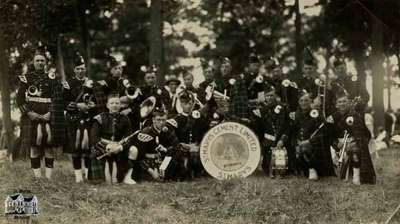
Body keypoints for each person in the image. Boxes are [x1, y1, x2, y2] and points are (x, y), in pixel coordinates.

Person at [16, 44, 65, 179]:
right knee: (34, 146)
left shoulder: (52, 78)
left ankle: (48, 178)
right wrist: (28, 113)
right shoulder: (26, 78)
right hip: (31, 115)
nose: (40, 63)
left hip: (49, 115)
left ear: (46, 62)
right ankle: (38, 178)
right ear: (33, 61)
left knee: (49, 146)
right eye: (37, 60)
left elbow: (57, 98)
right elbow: (19, 99)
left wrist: (51, 113)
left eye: (42, 60)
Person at [326, 91, 376, 185]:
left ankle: (356, 175)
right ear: (336, 105)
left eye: (344, 101)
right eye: (339, 102)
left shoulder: (355, 115)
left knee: (355, 149)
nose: (342, 104)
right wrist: (336, 143)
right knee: (338, 164)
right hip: (338, 146)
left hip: (352, 142)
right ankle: (342, 170)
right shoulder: (333, 117)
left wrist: (353, 142)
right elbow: (329, 135)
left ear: (348, 102)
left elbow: (363, 133)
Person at [63, 54, 98, 183]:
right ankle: (78, 176)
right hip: (74, 119)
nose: (80, 71)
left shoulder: (92, 83)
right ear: (74, 70)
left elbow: (98, 101)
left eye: (82, 68)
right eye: (78, 68)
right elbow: (63, 102)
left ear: (86, 69)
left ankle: (88, 175)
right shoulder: (68, 84)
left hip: (89, 118)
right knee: (75, 148)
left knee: (88, 148)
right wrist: (77, 105)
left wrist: (92, 106)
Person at [89, 93, 135, 184]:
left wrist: (120, 147)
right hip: (102, 149)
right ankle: (101, 178)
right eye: (112, 103)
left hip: (119, 148)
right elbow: (94, 138)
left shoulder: (125, 119)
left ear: (121, 105)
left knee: (132, 150)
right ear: (107, 105)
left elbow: (129, 137)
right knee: (101, 181)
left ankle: (125, 177)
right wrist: (107, 147)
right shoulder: (99, 118)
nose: (114, 105)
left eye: (117, 103)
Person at [290, 92, 335, 180]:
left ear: (311, 101)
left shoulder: (317, 114)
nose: (304, 103)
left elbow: (323, 133)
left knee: (305, 148)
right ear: (298, 102)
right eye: (301, 101)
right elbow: (293, 132)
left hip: (315, 147)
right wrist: (296, 143)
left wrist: (309, 141)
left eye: (306, 100)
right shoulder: (297, 115)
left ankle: (312, 169)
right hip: (300, 145)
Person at [128, 107, 180, 182]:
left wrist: (165, 149)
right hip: (147, 163)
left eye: (164, 120)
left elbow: (176, 147)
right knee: (150, 179)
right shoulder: (145, 133)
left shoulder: (168, 130)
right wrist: (152, 172)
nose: (161, 123)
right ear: (153, 120)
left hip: (163, 160)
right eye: (158, 120)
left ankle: (166, 175)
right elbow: (139, 157)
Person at [166, 91, 209, 179]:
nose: (188, 106)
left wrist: (199, 144)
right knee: (183, 170)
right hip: (183, 149)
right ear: (181, 104)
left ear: (193, 104)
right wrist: (181, 145)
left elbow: (205, 131)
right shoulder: (177, 119)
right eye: (185, 103)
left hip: (197, 147)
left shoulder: (198, 118)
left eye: (190, 103)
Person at [250, 84, 290, 177]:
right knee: (267, 167)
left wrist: (282, 140)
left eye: (272, 95)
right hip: (268, 143)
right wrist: (255, 118)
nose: (270, 98)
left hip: (282, 141)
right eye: (267, 96)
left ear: (275, 96)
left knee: (285, 166)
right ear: (264, 98)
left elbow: (288, 127)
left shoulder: (283, 108)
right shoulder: (262, 110)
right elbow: (259, 130)